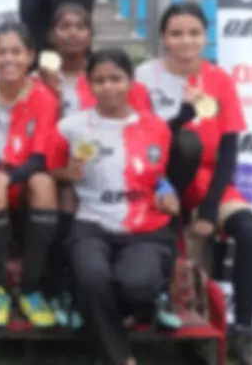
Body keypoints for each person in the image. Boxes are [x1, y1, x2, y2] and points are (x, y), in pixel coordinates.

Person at [136, 2, 252, 365]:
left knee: (251, 232)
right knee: (186, 142)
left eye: (194, 33)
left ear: (205, 36)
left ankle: (244, 331)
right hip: (159, 180)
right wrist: (183, 115)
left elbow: (229, 149)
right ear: (163, 38)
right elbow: (146, 139)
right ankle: (176, 322)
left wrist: (210, 210)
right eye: (176, 33)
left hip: (209, 182)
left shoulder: (220, 79)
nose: (186, 41)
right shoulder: (145, 76)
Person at [53, 48, 180, 365]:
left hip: (144, 226)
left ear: (131, 81)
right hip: (91, 221)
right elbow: (51, 169)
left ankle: (127, 304)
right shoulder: (70, 127)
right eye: (99, 80)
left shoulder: (156, 127)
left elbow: (160, 175)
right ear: (89, 84)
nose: (108, 87)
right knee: (93, 276)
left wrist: (167, 191)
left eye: (116, 79)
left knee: (136, 285)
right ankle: (121, 358)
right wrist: (67, 174)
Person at [0, 23, 58, 328]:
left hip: (21, 175)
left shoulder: (43, 96)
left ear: (30, 56)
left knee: (44, 185)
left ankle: (30, 290)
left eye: (16, 52)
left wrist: (9, 178)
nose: (9, 59)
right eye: (1, 52)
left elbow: (39, 158)